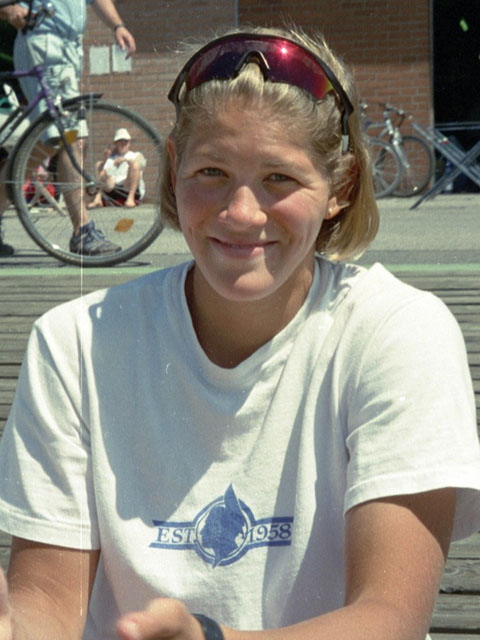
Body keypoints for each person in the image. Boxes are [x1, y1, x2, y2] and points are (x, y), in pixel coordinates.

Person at [0, 25, 480, 640]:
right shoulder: (72, 343)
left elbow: (390, 617)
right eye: (211, 171)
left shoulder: (400, 332)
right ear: (173, 169)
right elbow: (47, 604)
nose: (240, 213)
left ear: (341, 187)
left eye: (280, 178)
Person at [0, 0, 136, 256]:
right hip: (43, 42)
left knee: (51, 141)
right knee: (70, 137)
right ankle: (82, 231)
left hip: (70, 48)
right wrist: (8, 8)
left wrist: (118, 25)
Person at [88, 128, 146, 209]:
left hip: (127, 187)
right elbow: (105, 173)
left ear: (129, 143)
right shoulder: (112, 158)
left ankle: (130, 198)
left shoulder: (136, 155)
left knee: (135, 165)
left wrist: (125, 160)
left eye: (125, 141)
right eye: (120, 141)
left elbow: (141, 163)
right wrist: (105, 161)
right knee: (99, 165)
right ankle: (98, 198)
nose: (123, 143)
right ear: (115, 143)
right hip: (113, 188)